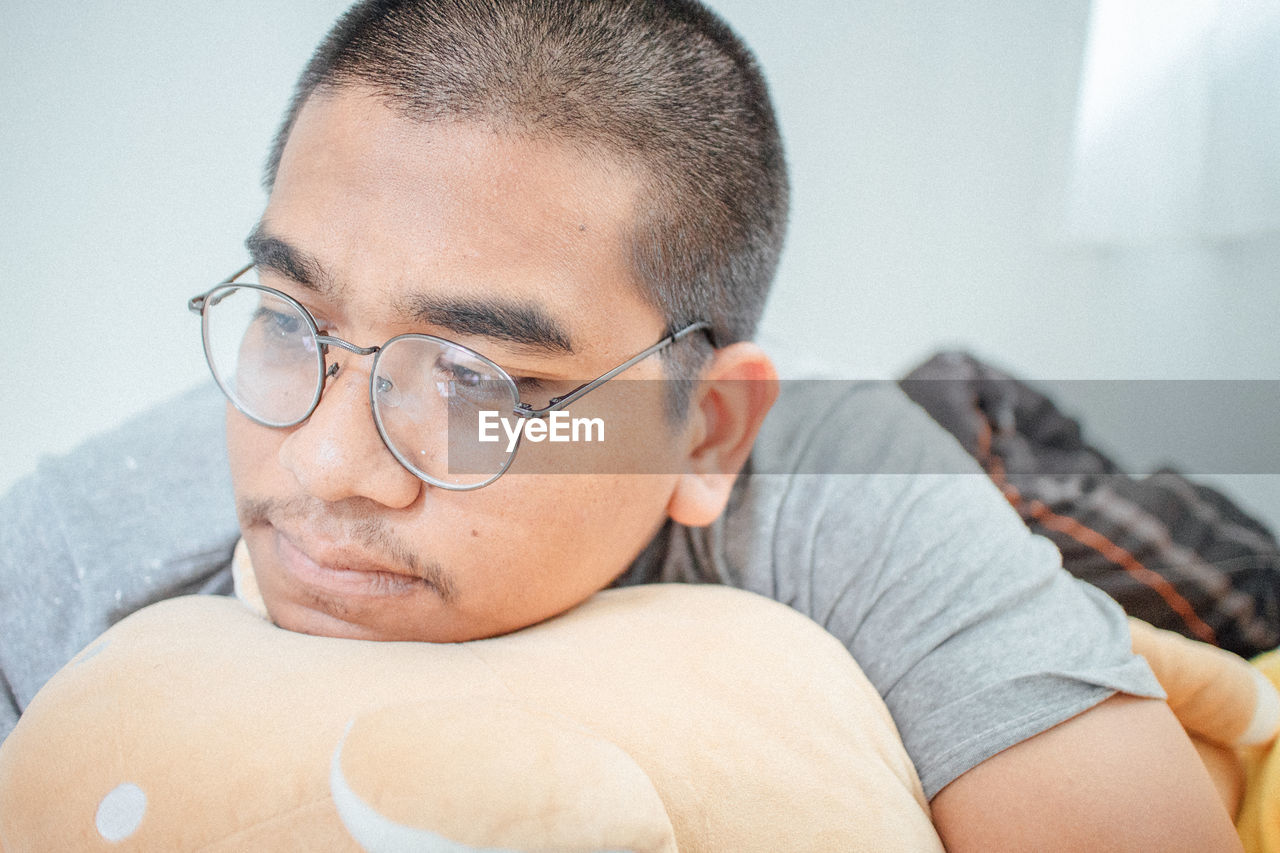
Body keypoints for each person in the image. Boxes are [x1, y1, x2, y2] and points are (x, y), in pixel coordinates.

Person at [0, 1, 1243, 849]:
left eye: (476, 381)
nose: (323, 464)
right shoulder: (83, 547)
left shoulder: (850, 493)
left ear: (700, 434)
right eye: (290, 319)